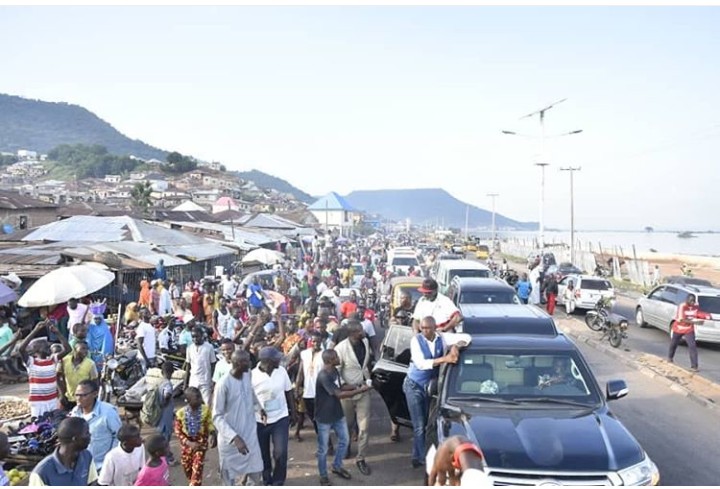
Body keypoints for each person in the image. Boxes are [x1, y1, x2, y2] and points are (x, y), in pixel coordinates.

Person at [403, 316, 469, 469]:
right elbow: (421, 364)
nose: (425, 331)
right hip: (414, 385)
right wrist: (446, 358)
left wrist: (456, 347)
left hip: (428, 386)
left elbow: (466, 337)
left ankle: (420, 453)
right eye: (423, 328)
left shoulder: (442, 338)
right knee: (419, 425)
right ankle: (419, 457)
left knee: (426, 423)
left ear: (435, 328)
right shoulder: (416, 340)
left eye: (428, 328)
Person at [314, 349, 371, 486]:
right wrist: (360, 390)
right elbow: (339, 394)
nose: (339, 358)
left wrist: (357, 385)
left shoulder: (334, 371)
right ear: (330, 360)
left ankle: (337, 466)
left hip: (337, 413)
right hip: (324, 416)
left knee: (344, 441)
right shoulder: (323, 376)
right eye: (336, 357)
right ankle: (323, 476)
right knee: (323, 449)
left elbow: (342, 386)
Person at [213, 350, 266, 486]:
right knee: (228, 475)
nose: (250, 363)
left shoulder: (247, 374)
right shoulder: (223, 384)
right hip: (230, 440)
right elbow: (217, 416)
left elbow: (251, 393)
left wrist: (260, 408)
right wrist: (234, 438)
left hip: (249, 433)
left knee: (256, 469)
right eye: (247, 361)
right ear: (237, 363)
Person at [251, 347, 295, 486]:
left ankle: (278, 481)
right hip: (259, 421)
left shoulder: (281, 371)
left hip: (280, 417)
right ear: (268, 361)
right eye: (277, 358)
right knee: (263, 453)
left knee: (280, 453)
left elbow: (289, 392)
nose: (279, 360)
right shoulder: (252, 375)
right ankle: (267, 479)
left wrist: (293, 412)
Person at [333, 321, 373, 475]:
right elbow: (336, 371)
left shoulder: (365, 341)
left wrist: (368, 378)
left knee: (364, 427)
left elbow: (366, 363)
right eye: (360, 330)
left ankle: (361, 458)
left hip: (364, 390)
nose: (363, 332)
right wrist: (345, 387)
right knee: (346, 425)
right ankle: (346, 447)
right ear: (352, 333)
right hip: (348, 393)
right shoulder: (341, 349)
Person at [70, 379, 123, 471]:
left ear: (95, 394)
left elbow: (118, 436)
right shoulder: (75, 412)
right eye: (77, 395)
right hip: (81, 466)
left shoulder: (108, 412)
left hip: (102, 467)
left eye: (83, 395)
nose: (79, 398)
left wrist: (110, 461)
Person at [29, 417, 98, 486]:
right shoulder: (42, 473)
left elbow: (92, 482)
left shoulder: (86, 456)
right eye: (86, 433)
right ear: (75, 439)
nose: (90, 435)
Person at [18, 321, 67, 417]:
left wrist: (57, 333)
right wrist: (35, 330)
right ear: (36, 349)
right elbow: (21, 349)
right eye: (44, 345)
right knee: (38, 426)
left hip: (52, 400)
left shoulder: (52, 359)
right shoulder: (31, 362)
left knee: (53, 426)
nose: (48, 346)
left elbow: (68, 349)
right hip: (38, 403)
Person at [174, 387, 216, 486]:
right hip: (186, 446)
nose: (200, 399)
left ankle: (195, 483)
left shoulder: (205, 410)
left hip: (200, 445)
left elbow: (209, 423)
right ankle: (192, 482)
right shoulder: (180, 413)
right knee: (187, 468)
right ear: (188, 400)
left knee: (197, 471)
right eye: (196, 398)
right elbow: (177, 431)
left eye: (199, 396)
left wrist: (212, 433)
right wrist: (188, 443)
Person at [294, 331, 325, 441]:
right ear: (310, 342)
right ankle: (325, 441)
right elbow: (300, 373)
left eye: (318, 341)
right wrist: (297, 388)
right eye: (314, 341)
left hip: (321, 393)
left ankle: (326, 443)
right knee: (314, 419)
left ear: (322, 341)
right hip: (308, 393)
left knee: (320, 419)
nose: (316, 343)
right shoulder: (304, 354)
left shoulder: (325, 355)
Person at [57, 340, 98, 411]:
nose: (86, 351)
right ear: (75, 349)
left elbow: (95, 381)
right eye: (83, 348)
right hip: (68, 397)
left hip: (84, 399)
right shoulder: (64, 361)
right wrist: (62, 393)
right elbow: (57, 376)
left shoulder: (90, 364)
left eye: (87, 349)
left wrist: (92, 397)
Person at [185, 326, 217, 405]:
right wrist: (185, 383)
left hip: (205, 381)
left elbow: (213, 365)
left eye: (197, 336)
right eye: (193, 337)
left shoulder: (209, 347)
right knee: (192, 403)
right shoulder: (189, 348)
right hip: (193, 380)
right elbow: (188, 366)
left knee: (207, 404)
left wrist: (213, 381)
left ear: (202, 336)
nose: (195, 339)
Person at [668, 294, 700, 371]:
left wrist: (700, 319)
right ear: (687, 300)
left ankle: (694, 366)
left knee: (692, 346)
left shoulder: (695, 306)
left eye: (693, 301)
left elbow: (697, 314)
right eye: (691, 301)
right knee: (674, 343)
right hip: (679, 328)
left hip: (689, 329)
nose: (692, 302)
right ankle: (670, 357)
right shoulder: (682, 306)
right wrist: (692, 322)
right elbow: (681, 319)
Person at [157, 362, 178, 466]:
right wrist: (164, 404)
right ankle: (166, 458)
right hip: (166, 415)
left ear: (162, 372)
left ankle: (167, 454)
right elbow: (167, 394)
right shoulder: (168, 383)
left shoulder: (159, 382)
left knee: (162, 436)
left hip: (160, 415)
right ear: (172, 372)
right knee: (166, 437)